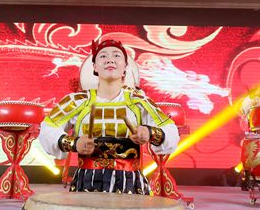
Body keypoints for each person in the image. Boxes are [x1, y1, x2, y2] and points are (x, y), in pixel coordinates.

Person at [39, 39, 179, 194]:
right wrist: (74, 143)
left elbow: (171, 131)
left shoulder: (139, 101)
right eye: (103, 56)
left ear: (125, 66)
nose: (110, 59)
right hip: (87, 183)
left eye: (116, 55)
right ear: (94, 67)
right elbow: (47, 129)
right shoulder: (76, 101)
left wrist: (150, 132)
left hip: (130, 184)